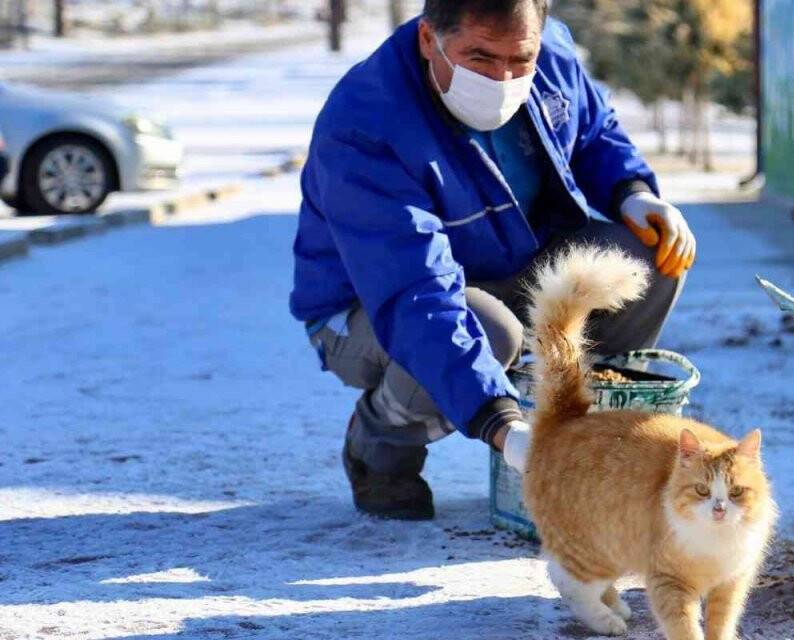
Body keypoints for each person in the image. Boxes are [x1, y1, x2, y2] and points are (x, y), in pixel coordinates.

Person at [289, 0, 697, 520]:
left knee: (646, 258)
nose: (502, 79)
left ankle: (583, 439)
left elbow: (593, 133)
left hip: (507, 265)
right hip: (371, 308)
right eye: (479, 58)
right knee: (487, 331)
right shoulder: (365, 126)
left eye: (519, 61)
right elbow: (415, 294)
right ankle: (380, 442)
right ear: (428, 39)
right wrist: (502, 426)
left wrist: (631, 192)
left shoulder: (548, 51)